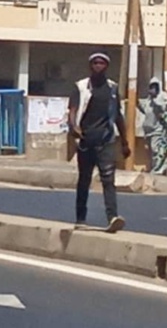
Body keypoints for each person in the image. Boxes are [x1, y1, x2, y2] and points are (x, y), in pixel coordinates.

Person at [68, 52, 130, 233]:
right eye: (95, 62)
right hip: (86, 140)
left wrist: (125, 142)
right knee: (84, 180)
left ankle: (113, 217)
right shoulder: (81, 87)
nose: (98, 65)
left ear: (106, 67)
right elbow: (72, 110)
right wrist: (74, 128)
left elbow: (118, 116)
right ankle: (80, 218)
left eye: (102, 63)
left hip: (106, 141)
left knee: (108, 179)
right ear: (90, 66)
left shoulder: (112, 89)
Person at [141, 77, 167, 175]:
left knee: (156, 149)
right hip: (148, 131)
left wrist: (156, 100)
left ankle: (159, 169)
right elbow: (144, 109)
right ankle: (153, 168)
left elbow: (164, 107)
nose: (152, 89)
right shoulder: (148, 100)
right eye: (151, 87)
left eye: (154, 87)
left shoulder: (162, 97)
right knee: (149, 151)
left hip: (158, 129)